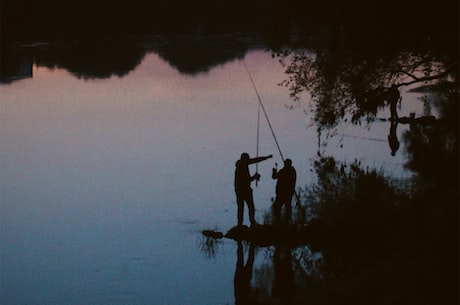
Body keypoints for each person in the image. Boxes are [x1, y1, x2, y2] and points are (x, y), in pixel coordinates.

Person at [234, 152, 272, 226]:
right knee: (247, 206)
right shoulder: (241, 168)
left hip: (243, 189)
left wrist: (266, 157)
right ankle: (246, 222)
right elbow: (246, 180)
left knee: (244, 207)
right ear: (244, 159)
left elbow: (255, 160)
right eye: (247, 159)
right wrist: (254, 177)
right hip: (242, 190)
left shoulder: (242, 164)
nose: (249, 161)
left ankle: (244, 223)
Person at [272, 159, 297, 223]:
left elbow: (274, 176)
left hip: (284, 193)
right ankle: (282, 221)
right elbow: (274, 176)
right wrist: (274, 172)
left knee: (282, 207)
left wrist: (274, 172)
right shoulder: (289, 171)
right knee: (282, 207)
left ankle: (284, 221)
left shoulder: (288, 171)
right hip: (283, 193)